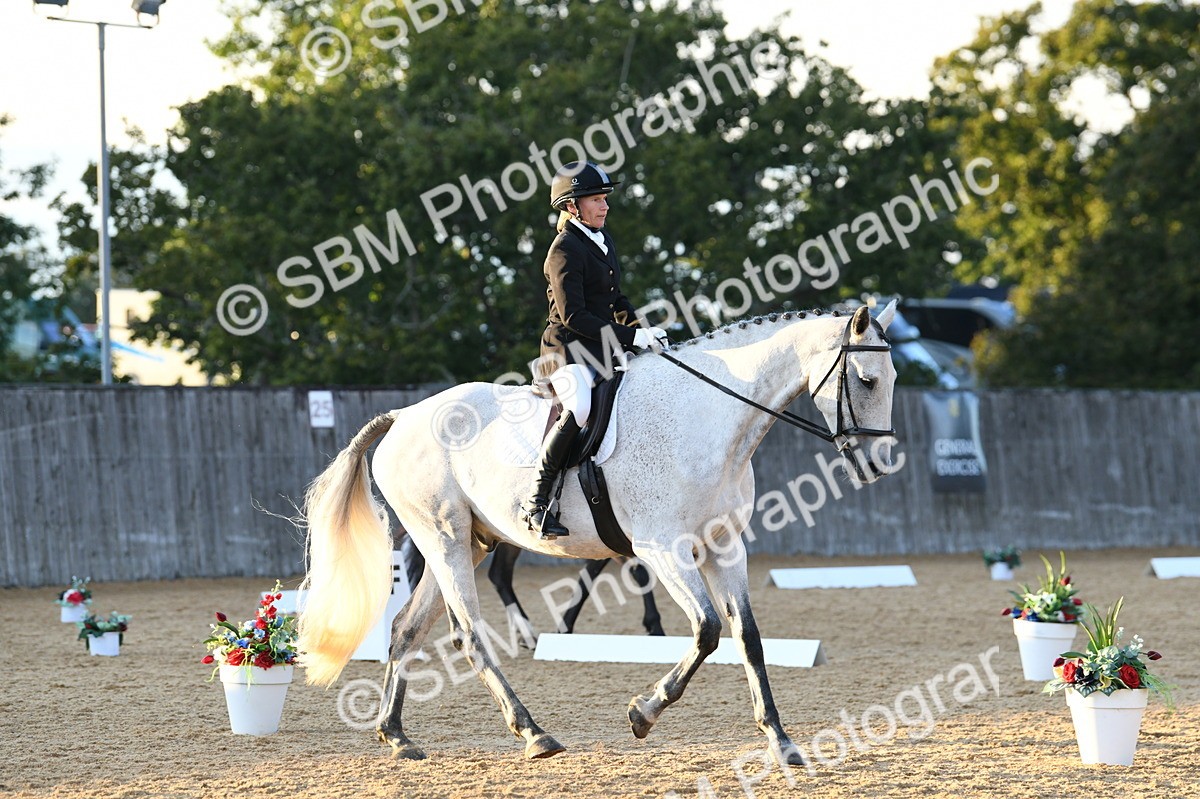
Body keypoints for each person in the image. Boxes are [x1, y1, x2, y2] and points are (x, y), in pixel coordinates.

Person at [522, 161, 667, 539]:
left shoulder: (601, 241)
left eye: (605, 199)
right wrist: (630, 339)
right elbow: (575, 317)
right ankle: (536, 501)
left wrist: (645, 333)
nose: (605, 207)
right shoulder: (564, 250)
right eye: (597, 200)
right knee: (581, 407)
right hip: (566, 351)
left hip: (601, 349)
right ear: (573, 207)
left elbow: (616, 298)